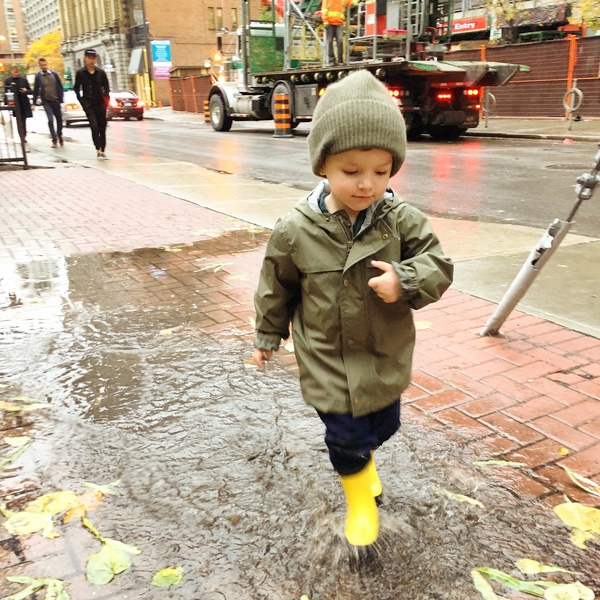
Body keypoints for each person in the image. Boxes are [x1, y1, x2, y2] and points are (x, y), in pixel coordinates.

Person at [252, 70, 453, 547]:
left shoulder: (401, 219)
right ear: (323, 166)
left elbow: (439, 264)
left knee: (383, 424)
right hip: (327, 356)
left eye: (381, 172)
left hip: (383, 354)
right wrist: (266, 336)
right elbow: (275, 287)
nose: (367, 184)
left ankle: (364, 463)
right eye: (351, 171)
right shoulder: (295, 229)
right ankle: (359, 498)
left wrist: (404, 279)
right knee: (344, 436)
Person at [73, 48, 110, 159]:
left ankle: (103, 150)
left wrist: (106, 100)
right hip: (89, 104)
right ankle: (98, 149)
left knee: (102, 127)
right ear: (85, 58)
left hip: (101, 103)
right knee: (94, 126)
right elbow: (76, 88)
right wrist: (82, 101)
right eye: (89, 58)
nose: (92, 61)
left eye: (93, 58)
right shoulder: (81, 73)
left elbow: (106, 87)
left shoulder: (101, 73)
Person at [32, 57, 64, 148]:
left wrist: (61, 98)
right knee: (50, 120)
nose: (44, 66)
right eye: (42, 65)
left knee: (59, 120)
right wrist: (33, 103)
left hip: (56, 100)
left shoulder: (54, 74)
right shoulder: (38, 77)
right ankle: (54, 140)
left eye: (45, 64)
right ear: (40, 66)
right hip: (46, 102)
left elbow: (60, 86)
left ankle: (60, 135)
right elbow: (35, 90)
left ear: (47, 64)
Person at [4, 65, 32, 143]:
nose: (16, 73)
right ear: (12, 72)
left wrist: (26, 90)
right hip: (15, 103)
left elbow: (30, 90)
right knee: (18, 121)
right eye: (15, 72)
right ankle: (22, 137)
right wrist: (7, 104)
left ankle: (24, 135)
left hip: (24, 103)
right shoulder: (8, 80)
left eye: (17, 72)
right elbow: (6, 92)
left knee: (24, 121)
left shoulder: (23, 80)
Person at [321, 0, 352, 65]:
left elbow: (349, 1)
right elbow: (324, 10)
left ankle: (340, 60)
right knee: (330, 41)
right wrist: (325, 20)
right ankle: (332, 60)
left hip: (339, 22)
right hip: (330, 22)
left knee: (339, 41)